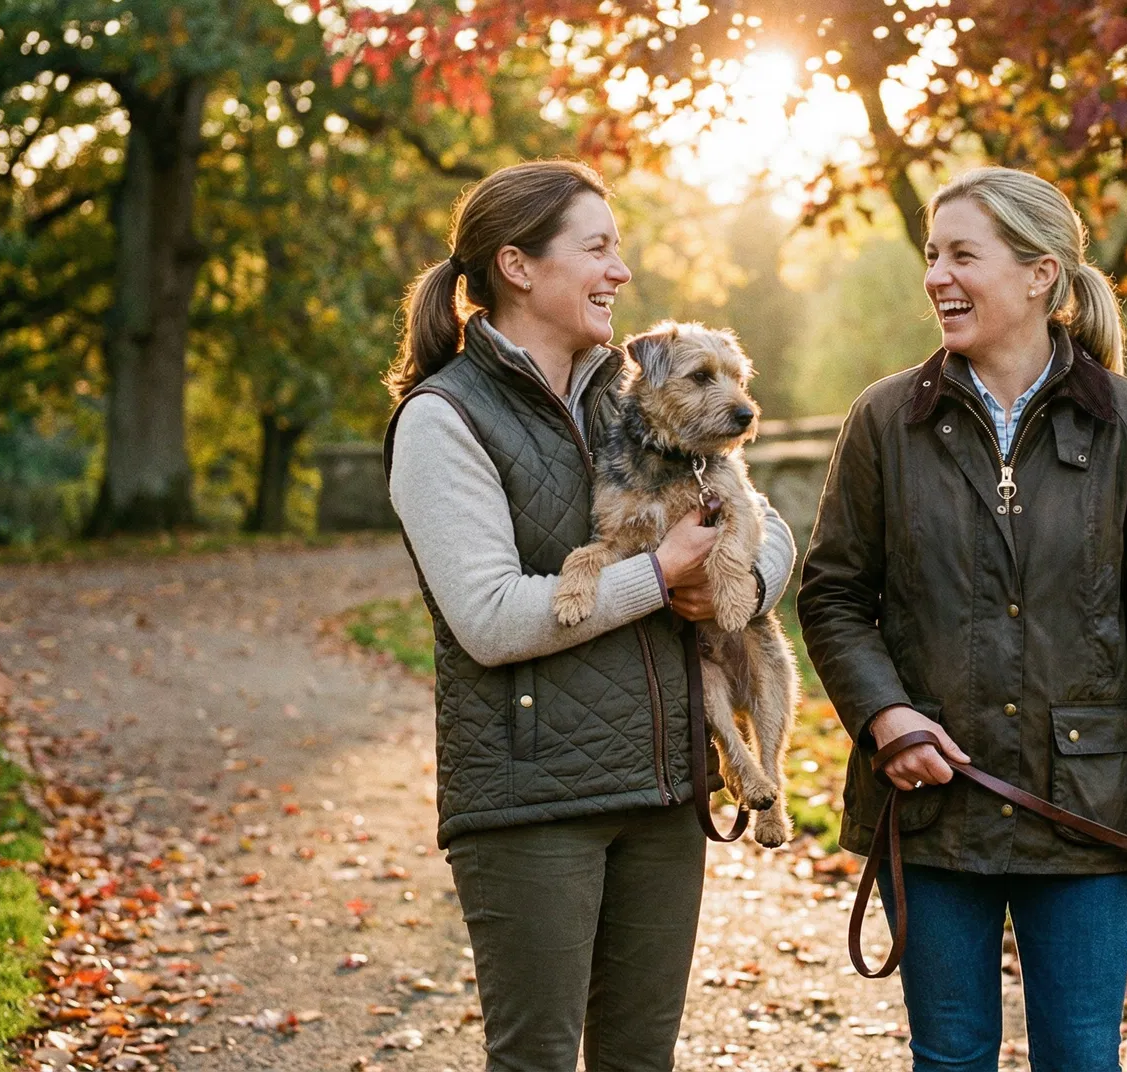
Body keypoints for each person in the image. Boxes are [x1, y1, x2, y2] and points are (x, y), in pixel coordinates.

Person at [383, 160, 797, 1071]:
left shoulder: (639, 389)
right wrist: (660, 574)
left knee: (640, 1062)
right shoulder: (444, 419)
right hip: (533, 803)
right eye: (598, 249)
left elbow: (768, 524)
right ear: (519, 265)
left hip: (663, 787)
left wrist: (742, 586)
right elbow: (490, 619)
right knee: (535, 1058)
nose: (620, 272)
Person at [798, 165, 1127, 1071]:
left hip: (1088, 808)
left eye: (962, 256)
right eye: (931, 256)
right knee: (949, 1057)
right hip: (932, 805)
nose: (938, 276)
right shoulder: (884, 421)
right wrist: (885, 716)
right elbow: (831, 596)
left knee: (1079, 1058)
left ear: (1041, 276)